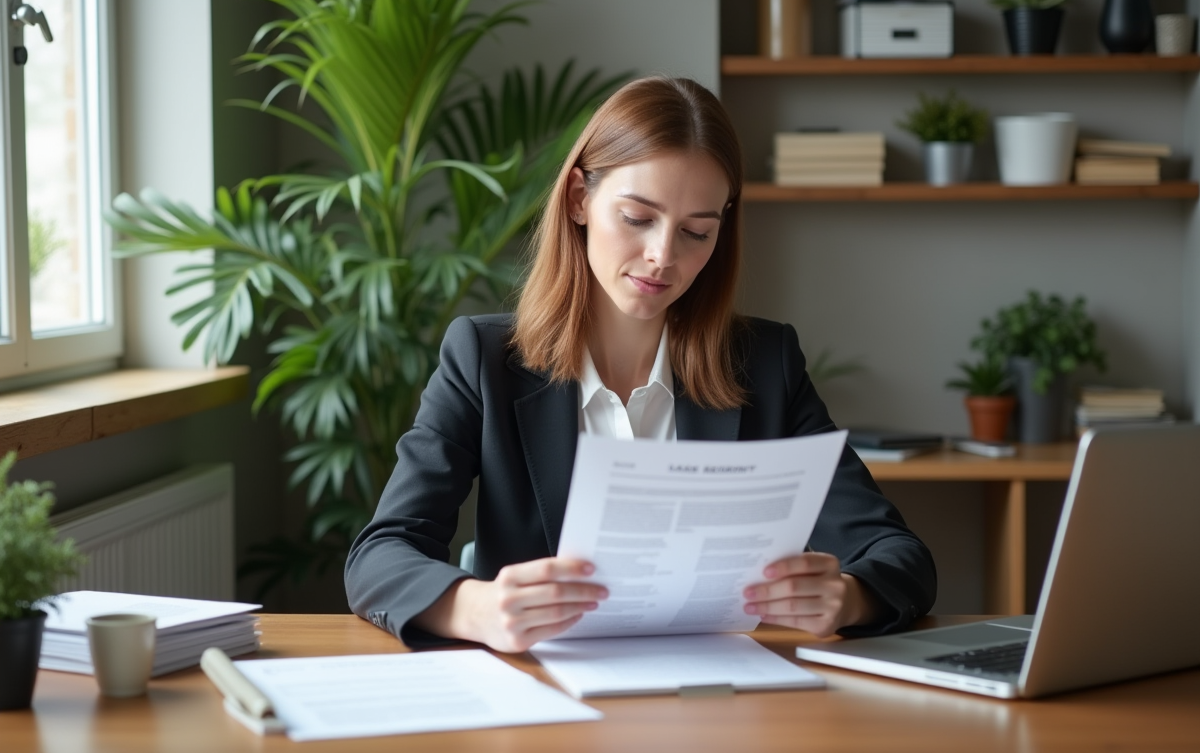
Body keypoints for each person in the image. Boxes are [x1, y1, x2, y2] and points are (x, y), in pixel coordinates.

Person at [345, 76, 936, 653]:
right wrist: (474, 608)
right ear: (579, 198)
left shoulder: (764, 364)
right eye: (637, 218)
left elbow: (899, 555)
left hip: (718, 699)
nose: (662, 256)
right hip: (545, 700)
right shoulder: (483, 359)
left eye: (697, 232)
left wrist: (851, 597)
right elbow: (380, 555)